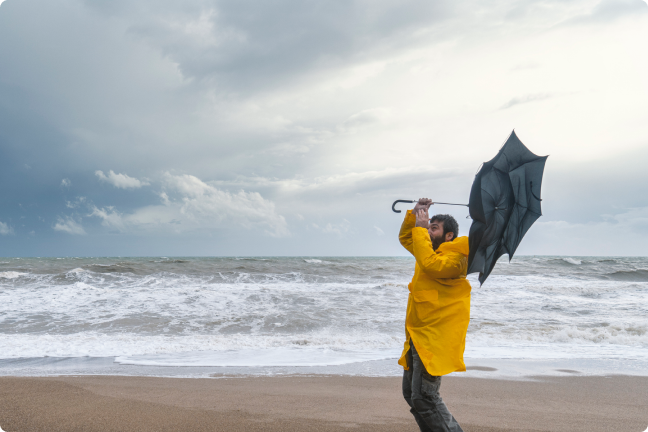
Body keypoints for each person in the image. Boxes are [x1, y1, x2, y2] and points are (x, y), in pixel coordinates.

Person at [398, 197, 471, 432]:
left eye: (434, 227)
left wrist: (421, 230)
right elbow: (407, 238)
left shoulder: (456, 259)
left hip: (435, 338)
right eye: (429, 226)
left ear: (448, 235)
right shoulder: (427, 250)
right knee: (411, 395)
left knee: (426, 398)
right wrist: (415, 213)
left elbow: (431, 266)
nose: (428, 230)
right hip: (418, 335)